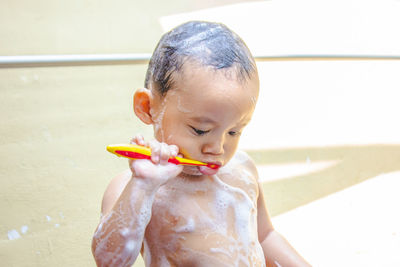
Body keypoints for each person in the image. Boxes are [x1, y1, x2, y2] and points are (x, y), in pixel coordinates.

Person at [92, 21, 310, 267]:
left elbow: (265, 236)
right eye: (201, 130)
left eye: (234, 131)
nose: (217, 148)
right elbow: (109, 261)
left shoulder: (243, 170)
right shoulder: (129, 187)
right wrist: (142, 186)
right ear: (147, 107)